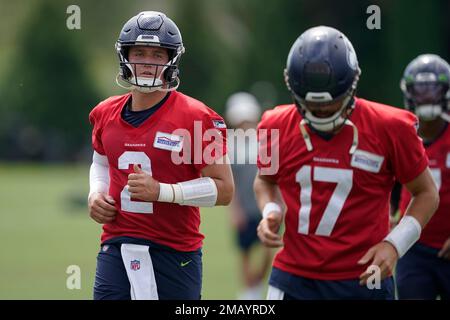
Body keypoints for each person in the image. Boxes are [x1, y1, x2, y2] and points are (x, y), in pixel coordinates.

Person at [254, 26, 439, 300]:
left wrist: (394, 245)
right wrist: (270, 210)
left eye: (331, 106)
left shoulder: (390, 127)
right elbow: (265, 180)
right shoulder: (276, 124)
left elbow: (426, 193)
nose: (322, 114)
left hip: (364, 278)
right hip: (295, 278)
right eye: (312, 108)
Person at [87, 11, 234, 300]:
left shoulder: (195, 116)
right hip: (117, 245)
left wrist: (162, 191)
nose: (146, 62)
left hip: (175, 252)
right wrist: (96, 192)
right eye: (139, 52)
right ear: (125, 56)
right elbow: (101, 161)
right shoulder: (105, 112)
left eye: (157, 54)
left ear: (171, 60)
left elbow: (225, 190)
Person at [395, 54, 450, 300]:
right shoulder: (400, 134)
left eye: (433, 90)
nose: (426, 97)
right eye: (421, 90)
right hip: (413, 246)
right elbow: (385, 181)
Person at [225, 92, 273, 299]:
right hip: (244, 208)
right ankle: (249, 291)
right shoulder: (231, 146)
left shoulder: (265, 144)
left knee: (267, 249)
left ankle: (257, 284)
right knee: (245, 251)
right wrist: (235, 211)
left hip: (264, 208)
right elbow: (231, 183)